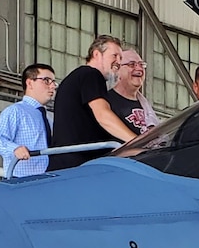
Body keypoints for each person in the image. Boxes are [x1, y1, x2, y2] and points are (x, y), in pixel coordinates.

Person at [49, 36, 137, 171]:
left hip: (68, 162)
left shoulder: (79, 77)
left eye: (120, 58)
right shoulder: (91, 75)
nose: (118, 61)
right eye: (114, 55)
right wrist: (135, 142)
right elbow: (103, 116)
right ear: (97, 54)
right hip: (78, 165)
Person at [0, 64, 55, 179]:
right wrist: (14, 149)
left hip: (46, 179)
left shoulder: (49, 118)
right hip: (22, 180)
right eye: (46, 81)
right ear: (30, 83)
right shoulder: (15, 111)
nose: (52, 86)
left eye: (54, 82)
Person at [108, 47, 160, 133]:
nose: (139, 69)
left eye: (141, 65)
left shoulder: (146, 107)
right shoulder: (106, 102)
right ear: (117, 70)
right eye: (131, 64)